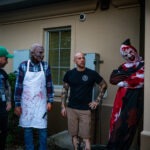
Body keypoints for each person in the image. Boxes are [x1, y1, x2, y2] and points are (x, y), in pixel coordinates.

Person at [61, 52, 107, 150]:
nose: (82, 60)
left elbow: (104, 85)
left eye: (83, 58)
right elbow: (64, 90)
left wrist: (97, 101)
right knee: (74, 136)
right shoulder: (69, 74)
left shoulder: (91, 73)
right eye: (79, 58)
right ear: (75, 61)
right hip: (71, 109)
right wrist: (63, 106)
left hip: (85, 110)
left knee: (86, 138)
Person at [14, 43, 54, 150]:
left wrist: (50, 101)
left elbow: (49, 84)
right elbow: (18, 86)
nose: (42, 55)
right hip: (26, 103)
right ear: (32, 53)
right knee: (27, 129)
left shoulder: (45, 66)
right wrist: (17, 104)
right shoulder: (23, 65)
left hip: (41, 103)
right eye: (40, 52)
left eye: (43, 53)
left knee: (42, 129)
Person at [107, 39, 144, 150]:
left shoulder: (143, 65)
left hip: (134, 99)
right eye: (125, 55)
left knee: (128, 124)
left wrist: (124, 81)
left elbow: (140, 79)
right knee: (116, 122)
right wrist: (127, 78)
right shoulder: (123, 66)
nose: (129, 56)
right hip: (120, 98)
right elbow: (113, 79)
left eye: (130, 52)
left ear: (134, 51)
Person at [0, 46, 13, 150]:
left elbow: (8, 87)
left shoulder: (3, 73)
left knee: (3, 131)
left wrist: (9, 102)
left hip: (2, 108)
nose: (7, 62)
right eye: (6, 59)